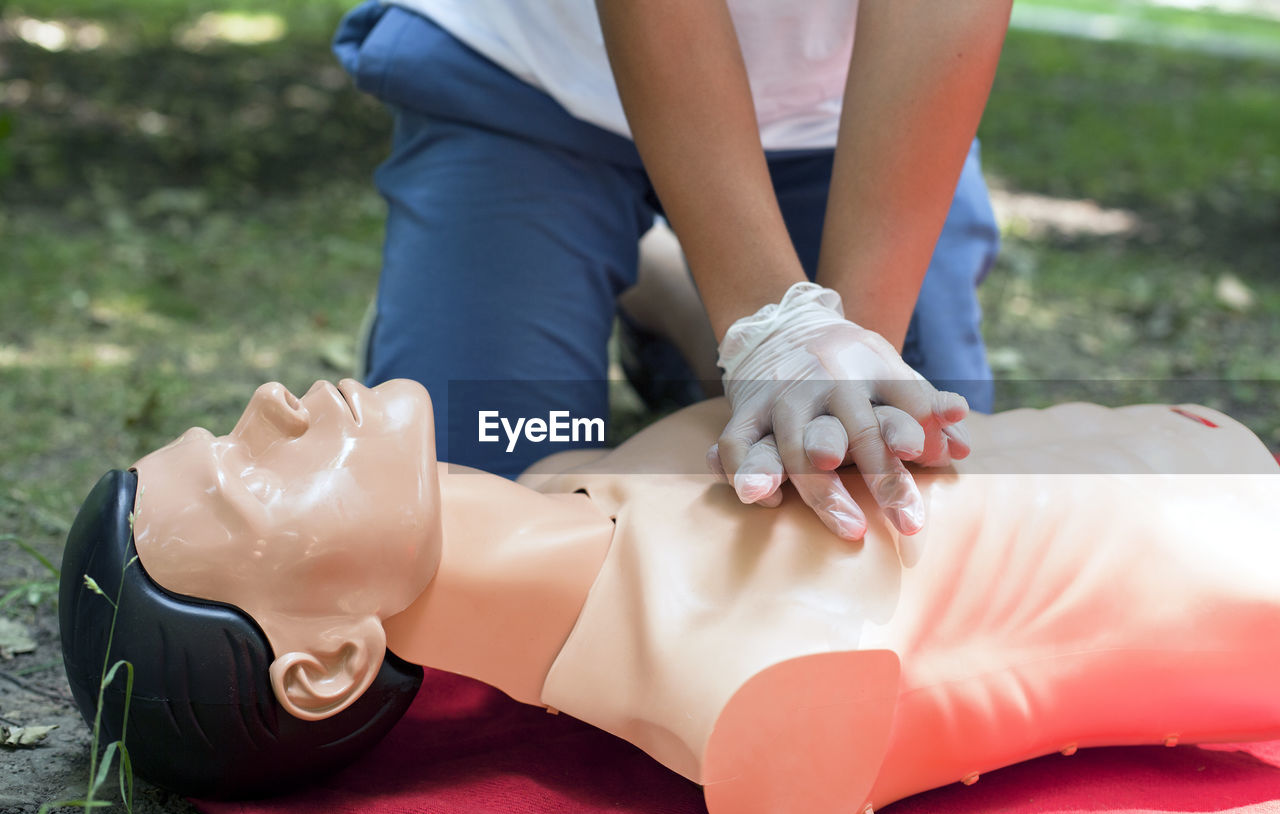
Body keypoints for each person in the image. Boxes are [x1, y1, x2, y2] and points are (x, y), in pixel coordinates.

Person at [61, 379, 1280, 814]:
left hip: (1194, 439)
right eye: (240, 478)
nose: (267, 403)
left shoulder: (577, 482)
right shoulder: (752, 704)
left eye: (220, 431)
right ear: (325, 663)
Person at [330, 1, 1012, 540]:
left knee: (906, 477)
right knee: (478, 509)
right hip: (532, 71)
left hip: (847, 112)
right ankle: (659, 277)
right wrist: (773, 328)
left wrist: (849, 374)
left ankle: (668, 289)